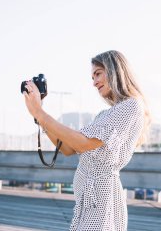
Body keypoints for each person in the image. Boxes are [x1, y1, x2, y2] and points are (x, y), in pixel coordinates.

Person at [23, 50, 150, 231]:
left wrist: (40, 113)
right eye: (92, 77)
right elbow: (67, 148)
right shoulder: (104, 115)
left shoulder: (131, 106)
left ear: (115, 71)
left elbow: (83, 142)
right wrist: (39, 115)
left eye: (98, 73)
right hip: (88, 201)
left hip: (102, 201)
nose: (94, 82)